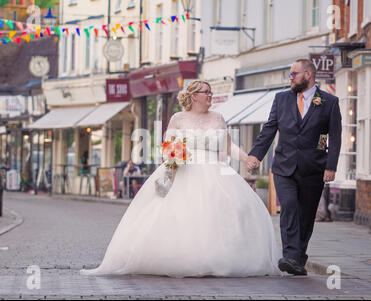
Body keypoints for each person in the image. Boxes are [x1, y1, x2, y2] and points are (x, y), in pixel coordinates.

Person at [80, 80, 282, 278]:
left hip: (215, 171)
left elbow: (227, 147)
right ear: (194, 96)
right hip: (184, 170)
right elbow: (167, 146)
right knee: (181, 214)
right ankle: (179, 257)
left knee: (222, 213)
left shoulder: (218, 118)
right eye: (207, 92)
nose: (210, 96)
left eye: (211, 92)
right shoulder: (179, 118)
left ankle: (218, 258)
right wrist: (173, 157)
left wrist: (248, 159)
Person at [246, 59, 342, 276]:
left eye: (294, 74)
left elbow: (334, 138)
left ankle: (298, 259)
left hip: (313, 168)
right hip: (283, 167)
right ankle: (290, 255)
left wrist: (331, 166)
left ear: (308, 75)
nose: (291, 78)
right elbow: (269, 129)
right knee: (289, 206)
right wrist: (255, 155)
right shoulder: (281, 99)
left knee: (306, 214)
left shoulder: (329, 102)